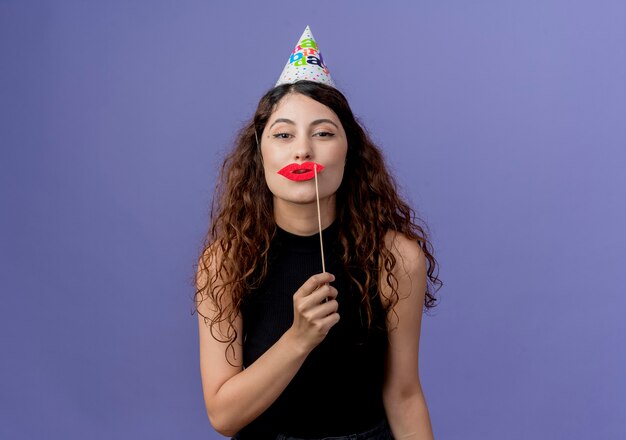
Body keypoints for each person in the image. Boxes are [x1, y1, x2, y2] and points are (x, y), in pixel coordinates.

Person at [193, 26, 442, 440]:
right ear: (260, 152)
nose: (303, 149)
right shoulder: (225, 263)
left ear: (350, 149)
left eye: (323, 132)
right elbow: (224, 416)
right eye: (283, 134)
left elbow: (403, 394)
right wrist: (299, 338)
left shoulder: (395, 258)